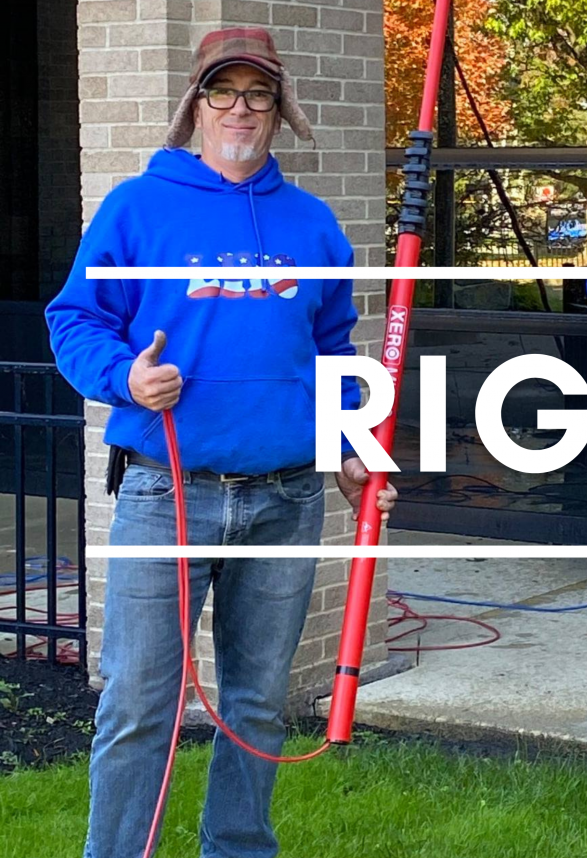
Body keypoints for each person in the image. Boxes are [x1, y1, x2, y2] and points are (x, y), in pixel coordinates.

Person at [45, 27, 397, 858]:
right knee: (138, 703)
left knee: (257, 701)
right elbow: (75, 318)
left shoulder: (312, 227)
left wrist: (350, 445)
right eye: (222, 91)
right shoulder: (136, 207)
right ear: (194, 106)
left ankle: (237, 849)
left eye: (258, 93)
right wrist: (127, 377)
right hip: (168, 491)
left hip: (286, 496)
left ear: (281, 112)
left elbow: (333, 351)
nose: (240, 108)